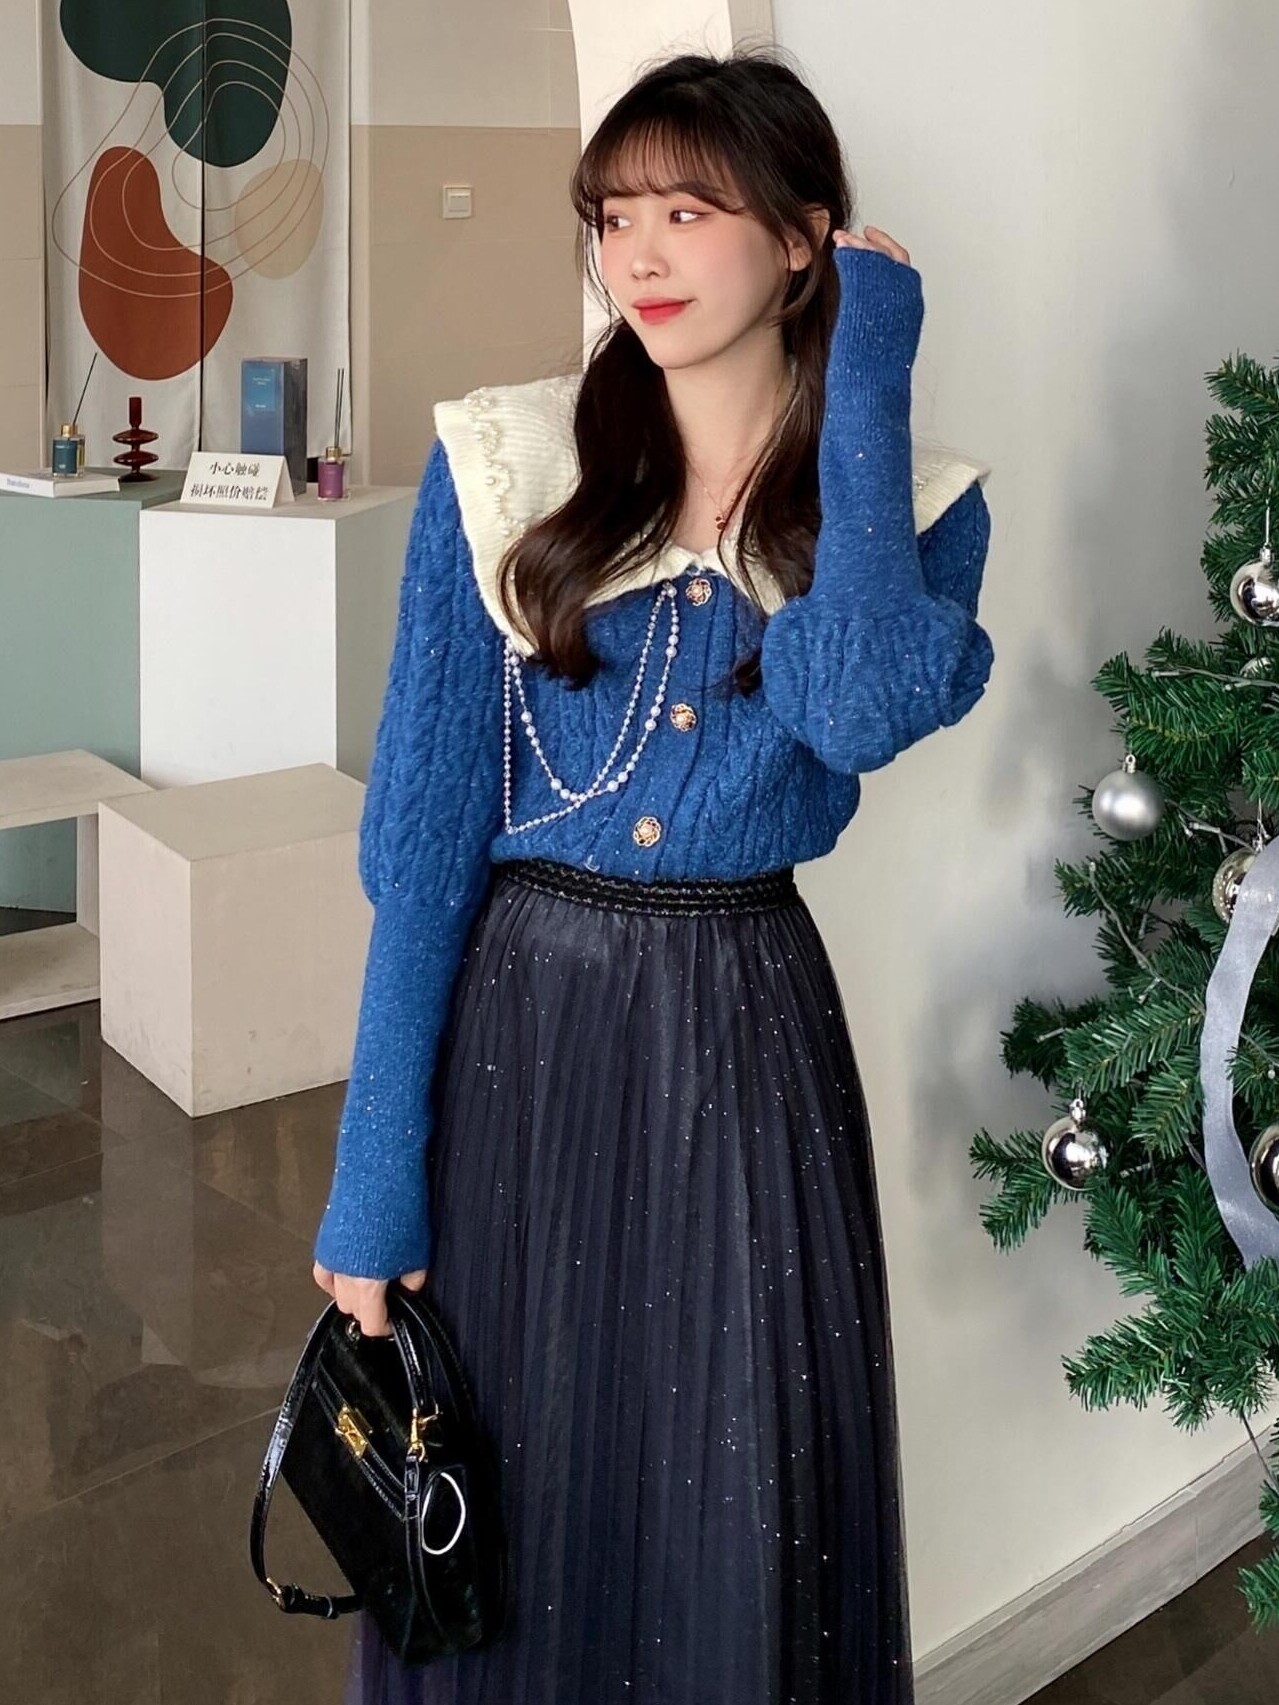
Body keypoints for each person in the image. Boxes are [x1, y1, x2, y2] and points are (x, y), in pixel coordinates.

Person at [311, 43, 994, 1705]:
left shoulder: (913, 515)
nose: (641, 254)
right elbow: (421, 853)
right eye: (616, 216)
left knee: (725, 1507)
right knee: (508, 1490)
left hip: (741, 1044)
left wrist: (873, 366)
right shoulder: (503, 469)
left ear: (804, 237)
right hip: (515, 1039)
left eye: (689, 210)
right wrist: (372, 1174)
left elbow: (856, 706)